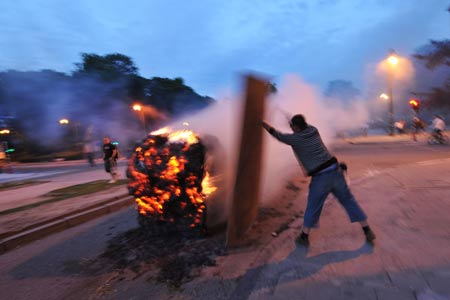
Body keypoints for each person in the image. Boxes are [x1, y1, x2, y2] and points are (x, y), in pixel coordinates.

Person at [262, 114, 376, 246]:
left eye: (292, 126)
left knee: (313, 207)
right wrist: (292, 122)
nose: (291, 128)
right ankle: (367, 230)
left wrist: (263, 123)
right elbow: (301, 128)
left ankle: (304, 237)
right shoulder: (313, 130)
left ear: (297, 128)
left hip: (321, 178)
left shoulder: (295, 139)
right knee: (349, 202)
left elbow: (276, 134)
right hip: (336, 171)